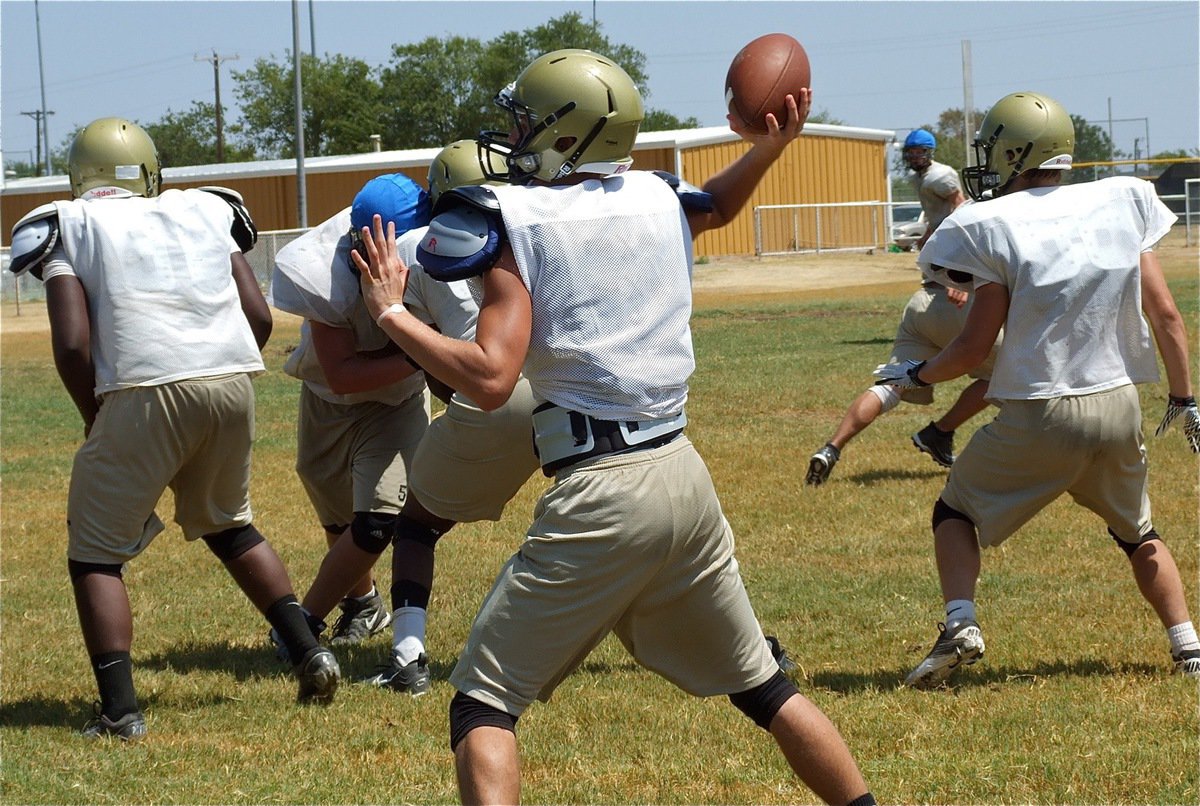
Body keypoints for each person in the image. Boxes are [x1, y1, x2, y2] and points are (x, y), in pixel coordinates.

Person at [354, 49, 875, 805]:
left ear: (568, 134)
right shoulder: (656, 195)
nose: (515, 133)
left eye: (527, 120)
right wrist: (771, 147)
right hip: (683, 475)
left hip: (601, 488)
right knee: (762, 685)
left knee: (482, 704)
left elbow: (492, 379)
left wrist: (391, 313)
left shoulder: (511, 215)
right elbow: (719, 207)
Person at [8, 118, 340, 740]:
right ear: (149, 171)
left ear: (80, 176)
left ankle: (119, 711)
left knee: (96, 553)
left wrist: (96, 413)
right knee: (230, 522)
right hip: (231, 377)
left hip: (141, 386)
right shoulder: (203, 209)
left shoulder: (67, 222)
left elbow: (73, 343)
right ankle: (308, 649)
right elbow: (258, 317)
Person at [872, 91, 1200, 688]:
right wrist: (1185, 399)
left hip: (1043, 408)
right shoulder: (1120, 200)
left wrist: (915, 376)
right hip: (1119, 403)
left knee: (953, 510)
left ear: (1013, 151)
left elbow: (973, 349)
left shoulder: (992, 224)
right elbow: (1168, 316)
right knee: (1139, 533)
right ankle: (1188, 647)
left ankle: (960, 624)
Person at [358, 141, 543, 696]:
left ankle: (408, 659)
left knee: (416, 526)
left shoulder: (417, 245)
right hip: (572, 388)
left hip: (496, 391)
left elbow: (445, 374)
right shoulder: (543, 227)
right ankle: (748, 644)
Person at [268, 173, 434, 650]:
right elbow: (342, 373)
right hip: (328, 398)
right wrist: (425, 350)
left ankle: (302, 625)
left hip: (397, 402)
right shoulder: (326, 269)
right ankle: (362, 603)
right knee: (339, 521)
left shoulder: (434, 254)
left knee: (376, 521)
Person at [805, 128, 989, 486]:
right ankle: (939, 432)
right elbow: (963, 219)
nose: (915, 156)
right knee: (999, 376)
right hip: (949, 300)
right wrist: (964, 276)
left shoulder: (939, 176)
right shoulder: (935, 179)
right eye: (912, 151)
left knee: (891, 384)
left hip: (921, 304)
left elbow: (958, 213)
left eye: (920, 151)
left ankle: (832, 447)